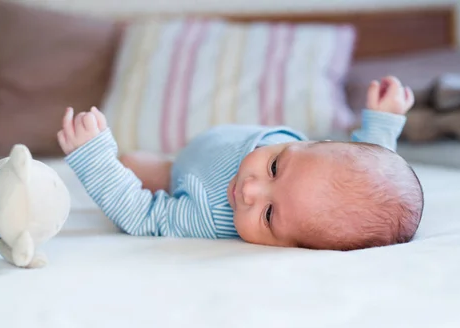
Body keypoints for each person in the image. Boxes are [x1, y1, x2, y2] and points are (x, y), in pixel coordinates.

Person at [57, 76, 424, 251]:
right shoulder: (324, 161)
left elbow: (141, 215)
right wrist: (383, 120)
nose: (248, 190)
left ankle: (131, 163)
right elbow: (369, 162)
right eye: (275, 168)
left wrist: (93, 158)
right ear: (319, 143)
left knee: (132, 164)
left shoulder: (209, 216)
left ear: (291, 247)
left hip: (179, 174)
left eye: (268, 216)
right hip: (208, 146)